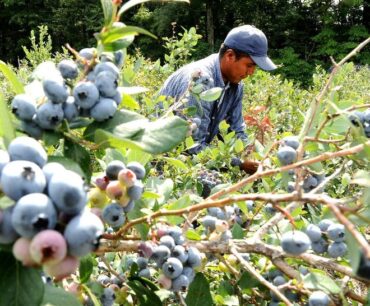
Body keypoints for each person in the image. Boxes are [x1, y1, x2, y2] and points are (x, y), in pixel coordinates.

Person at [159, 25, 277, 154]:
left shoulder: (235, 85)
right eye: (249, 65)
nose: (251, 72)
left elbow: (236, 130)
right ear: (230, 55)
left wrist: (250, 154)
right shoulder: (200, 81)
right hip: (162, 157)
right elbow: (191, 146)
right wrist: (239, 164)